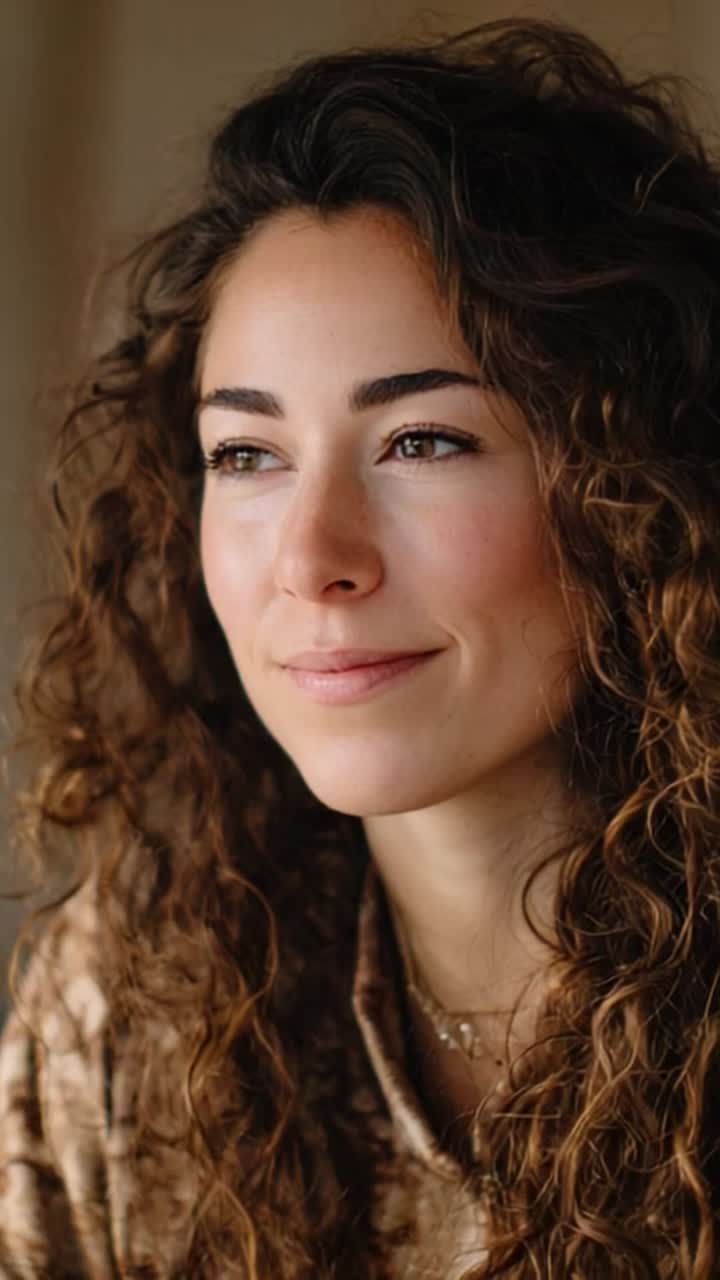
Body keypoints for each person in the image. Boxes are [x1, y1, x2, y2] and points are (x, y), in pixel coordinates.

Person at [1, 15, 719, 1279]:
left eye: (423, 441)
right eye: (247, 454)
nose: (313, 556)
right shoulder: (132, 999)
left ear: (638, 489)